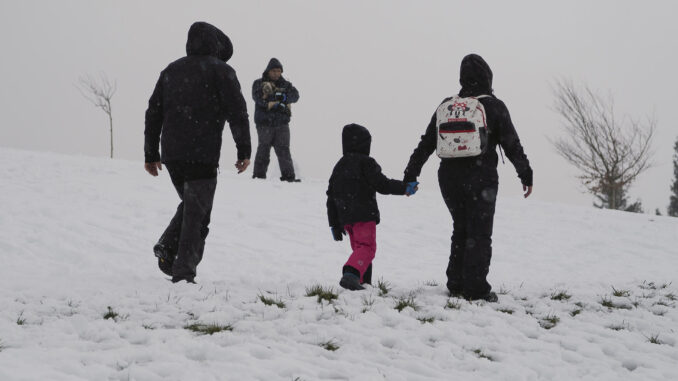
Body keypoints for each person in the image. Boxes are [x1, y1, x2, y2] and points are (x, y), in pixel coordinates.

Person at [403, 54, 533, 302]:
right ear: (488, 77)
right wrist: (525, 174)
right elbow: (512, 145)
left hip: (449, 177)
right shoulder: (494, 106)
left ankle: (456, 282)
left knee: (460, 228)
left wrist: (411, 172)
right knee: (480, 232)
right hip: (481, 175)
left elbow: (427, 142)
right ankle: (475, 287)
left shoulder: (447, 105)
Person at [144, 21, 251, 283]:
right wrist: (244, 150)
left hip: (172, 155)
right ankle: (183, 272)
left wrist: (151, 153)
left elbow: (153, 112)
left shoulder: (171, 70)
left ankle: (168, 248)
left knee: (193, 207)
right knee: (197, 215)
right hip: (202, 153)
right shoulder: (222, 71)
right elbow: (237, 113)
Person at [327, 124, 419, 290]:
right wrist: (404, 187)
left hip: (346, 218)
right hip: (363, 214)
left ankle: (363, 283)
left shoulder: (339, 166)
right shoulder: (366, 162)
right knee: (367, 248)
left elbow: (331, 196)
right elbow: (382, 185)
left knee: (360, 249)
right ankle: (351, 274)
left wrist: (334, 224)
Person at [251, 58, 300, 181]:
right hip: (264, 123)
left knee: (284, 150)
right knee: (263, 149)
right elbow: (258, 98)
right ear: (268, 71)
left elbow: (295, 96)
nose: (276, 73)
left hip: (282, 123)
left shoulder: (286, 85)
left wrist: (282, 97)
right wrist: (277, 98)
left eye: (279, 71)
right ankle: (258, 176)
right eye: (274, 71)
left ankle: (289, 177)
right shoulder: (258, 83)